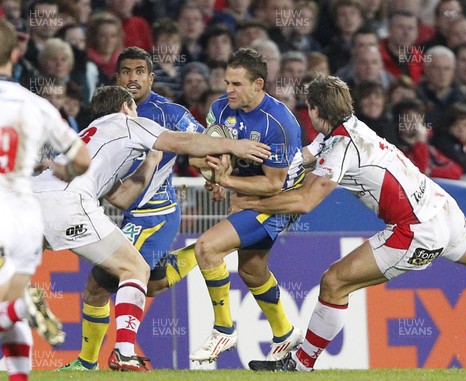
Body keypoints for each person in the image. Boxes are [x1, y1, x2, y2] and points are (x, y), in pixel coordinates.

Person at [220, 75, 466, 372]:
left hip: (415, 228)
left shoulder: (340, 147)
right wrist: (247, 166)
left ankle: (300, 365)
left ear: (317, 110)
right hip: (441, 208)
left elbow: (304, 202)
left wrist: (250, 199)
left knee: (334, 282)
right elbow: (298, 164)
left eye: (308, 109)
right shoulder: (346, 129)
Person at [34, 85, 270, 372]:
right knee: (135, 270)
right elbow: (181, 142)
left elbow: (121, 199)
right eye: (133, 106)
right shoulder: (130, 122)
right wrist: (233, 146)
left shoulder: (90, 136)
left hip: (30, 201)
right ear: (125, 107)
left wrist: (151, 161)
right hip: (68, 204)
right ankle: (123, 351)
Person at [57, 46, 207, 371]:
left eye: (140, 72)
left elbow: (202, 145)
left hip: (155, 214)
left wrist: (215, 173)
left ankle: (93, 362)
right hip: (129, 213)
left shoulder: (170, 113)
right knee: (145, 282)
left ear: (152, 77)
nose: (133, 77)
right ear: (117, 77)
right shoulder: (111, 114)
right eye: (126, 71)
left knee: (100, 285)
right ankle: (203, 253)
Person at [185, 47, 305, 364]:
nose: (229, 90)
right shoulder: (220, 109)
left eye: (237, 84)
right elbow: (198, 152)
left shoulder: (279, 123)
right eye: (227, 82)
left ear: (258, 84)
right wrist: (211, 171)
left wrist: (225, 181)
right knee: (252, 271)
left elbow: (272, 183)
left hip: (280, 201)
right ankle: (284, 332)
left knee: (207, 248)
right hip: (248, 194)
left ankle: (223, 330)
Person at [0, 18, 91, 381]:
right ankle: (19, 310)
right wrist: (65, 172)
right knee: (6, 301)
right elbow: (81, 158)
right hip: (23, 212)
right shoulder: (35, 104)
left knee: (8, 307)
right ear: (18, 52)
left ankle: (21, 308)